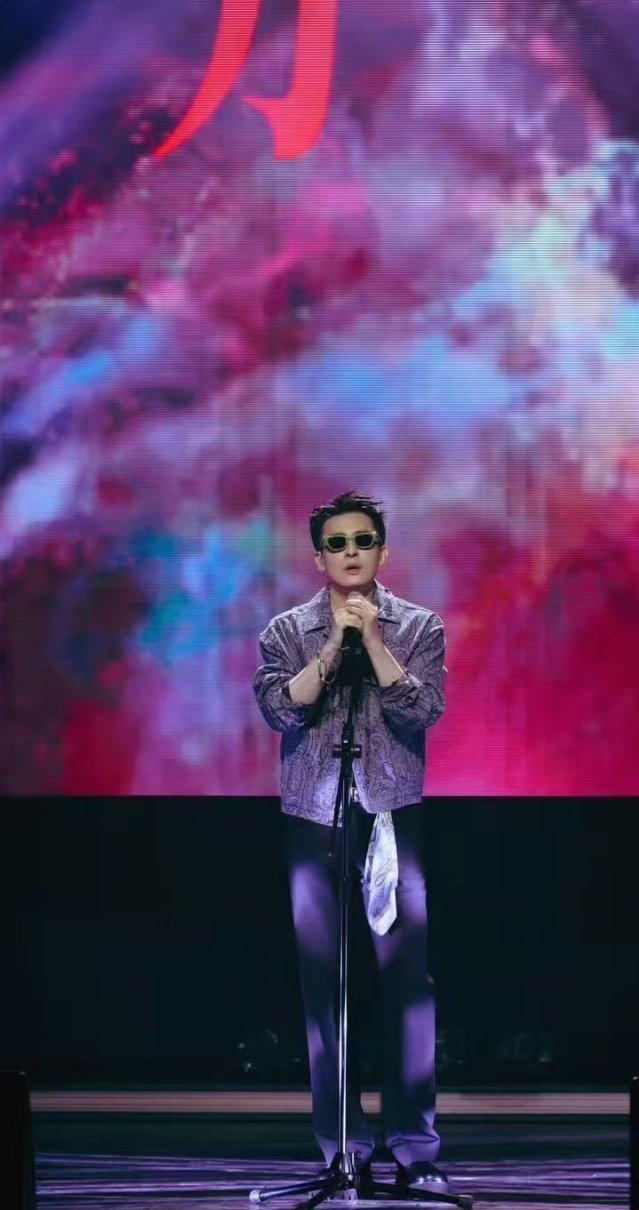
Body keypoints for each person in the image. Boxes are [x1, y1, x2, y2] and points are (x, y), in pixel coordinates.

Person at [252, 490, 450, 1193]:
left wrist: (373, 641)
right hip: (314, 816)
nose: (351, 553)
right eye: (336, 543)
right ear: (319, 558)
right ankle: (343, 1145)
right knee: (323, 984)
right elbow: (281, 710)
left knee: (408, 984)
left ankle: (414, 1147)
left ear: (382, 550)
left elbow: (423, 708)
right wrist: (335, 645)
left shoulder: (419, 625)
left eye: (362, 540)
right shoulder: (288, 630)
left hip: (392, 816)